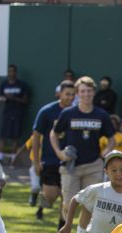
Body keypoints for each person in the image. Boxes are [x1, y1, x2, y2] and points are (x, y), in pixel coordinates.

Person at [50, 76, 117, 229]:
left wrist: (104, 153)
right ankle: (66, 226)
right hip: (71, 165)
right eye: (82, 91)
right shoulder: (68, 113)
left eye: (89, 91)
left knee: (91, 203)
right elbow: (54, 134)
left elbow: (112, 139)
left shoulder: (101, 115)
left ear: (94, 93)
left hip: (93, 164)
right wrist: (59, 153)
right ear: (77, 94)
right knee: (68, 202)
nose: (86, 94)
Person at [31, 80, 76, 223]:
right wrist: (36, 162)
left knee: (67, 195)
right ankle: (41, 204)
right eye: (67, 94)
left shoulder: (77, 112)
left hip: (69, 161)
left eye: (73, 94)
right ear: (60, 94)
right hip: (50, 159)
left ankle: (62, 226)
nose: (70, 97)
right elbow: (36, 136)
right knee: (51, 195)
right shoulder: (47, 111)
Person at [0, 65, 29, 160]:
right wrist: (4, 98)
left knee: (15, 136)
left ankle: (13, 158)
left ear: (16, 72)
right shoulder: (4, 84)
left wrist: (13, 97)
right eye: (9, 71)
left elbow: (25, 100)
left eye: (13, 71)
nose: (11, 73)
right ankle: (0, 157)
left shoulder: (22, 85)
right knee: (3, 135)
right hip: (7, 112)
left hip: (18, 113)